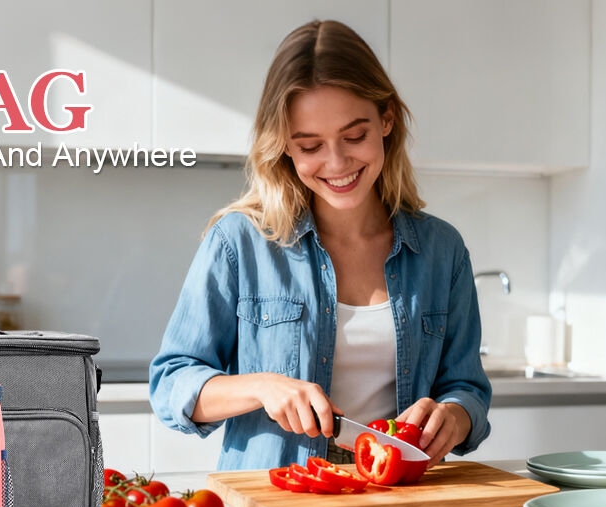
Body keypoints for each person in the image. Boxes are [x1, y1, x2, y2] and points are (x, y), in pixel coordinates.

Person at [149, 19, 490, 471]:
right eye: (310, 146)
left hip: (399, 497)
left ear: (386, 119)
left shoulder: (442, 251)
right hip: (279, 496)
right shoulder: (239, 242)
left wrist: (456, 416)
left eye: (355, 136)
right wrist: (262, 387)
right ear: (284, 146)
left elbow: (467, 387)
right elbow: (171, 383)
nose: (337, 162)